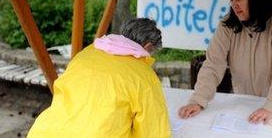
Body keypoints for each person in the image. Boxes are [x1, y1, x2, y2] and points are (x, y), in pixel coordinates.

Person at [178, 0, 272, 124]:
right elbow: (213, 64)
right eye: (231, 0)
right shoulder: (227, 25)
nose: (234, 5)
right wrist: (198, 100)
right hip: (247, 103)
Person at [28, 18, 171, 138]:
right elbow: (153, 129)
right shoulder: (143, 75)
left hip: (46, 131)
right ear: (148, 46)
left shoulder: (87, 53)